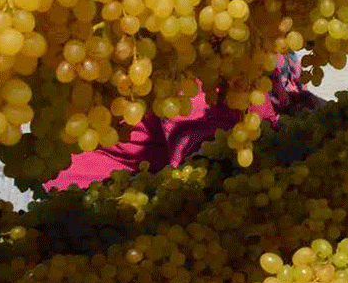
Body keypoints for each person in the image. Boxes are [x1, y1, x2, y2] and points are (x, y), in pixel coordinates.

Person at [46, 53, 322, 191]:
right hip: (106, 215)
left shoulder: (258, 22)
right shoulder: (205, 64)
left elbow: (282, 87)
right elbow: (216, 171)